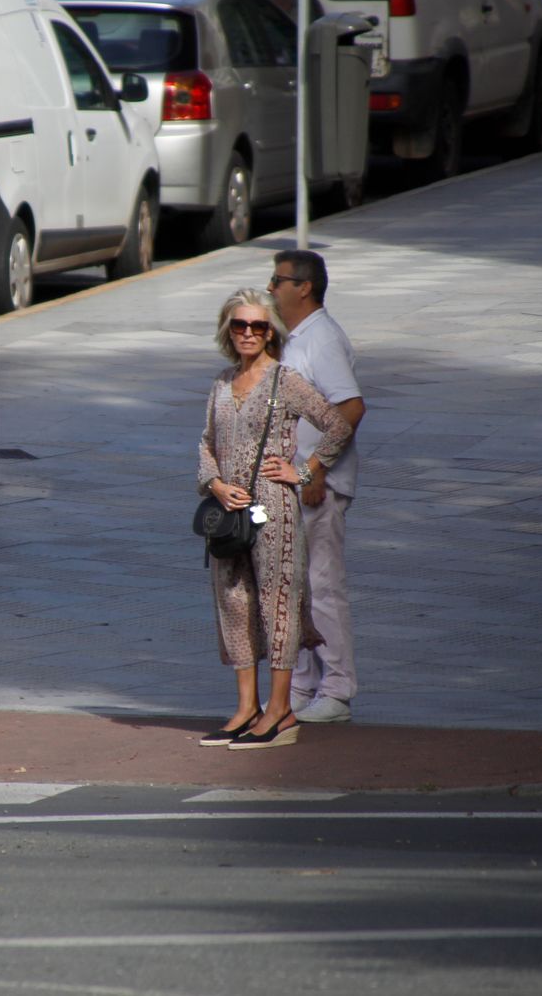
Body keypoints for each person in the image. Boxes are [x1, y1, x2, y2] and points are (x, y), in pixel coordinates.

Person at [197, 289, 353, 750]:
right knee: (234, 603)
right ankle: (247, 708)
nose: (248, 333)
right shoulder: (222, 383)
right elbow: (206, 442)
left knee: (276, 605)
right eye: (240, 325)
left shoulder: (285, 380)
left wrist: (304, 470)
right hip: (229, 512)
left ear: (271, 333)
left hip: (274, 510)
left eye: (258, 327)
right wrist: (216, 485)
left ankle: (281, 710)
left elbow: (338, 422)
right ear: (228, 330)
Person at [269, 250, 365, 724]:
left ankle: (337, 688)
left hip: (315, 485)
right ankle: (303, 685)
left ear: (303, 287)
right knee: (294, 589)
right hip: (291, 484)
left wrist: (314, 469)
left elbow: (350, 408)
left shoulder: (321, 338)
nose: (271, 288)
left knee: (323, 586)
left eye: (278, 280)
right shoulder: (296, 339)